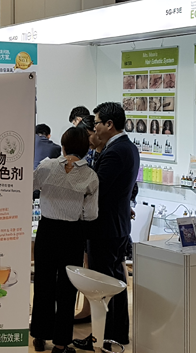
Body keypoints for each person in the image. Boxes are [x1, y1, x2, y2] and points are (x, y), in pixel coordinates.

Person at [31, 127, 99, 353]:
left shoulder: (47, 166)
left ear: (63, 146)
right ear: (86, 149)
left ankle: (39, 335)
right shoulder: (90, 176)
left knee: (43, 283)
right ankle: (60, 343)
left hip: (47, 230)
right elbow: (91, 214)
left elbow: (29, 187)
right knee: (68, 288)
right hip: (72, 233)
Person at [78, 102, 139, 349]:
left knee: (102, 284)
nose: (95, 129)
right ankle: (116, 334)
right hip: (117, 225)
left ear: (109, 124)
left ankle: (102, 336)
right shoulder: (128, 147)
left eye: (97, 124)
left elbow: (96, 189)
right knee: (115, 282)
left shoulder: (114, 152)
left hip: (104, 227)